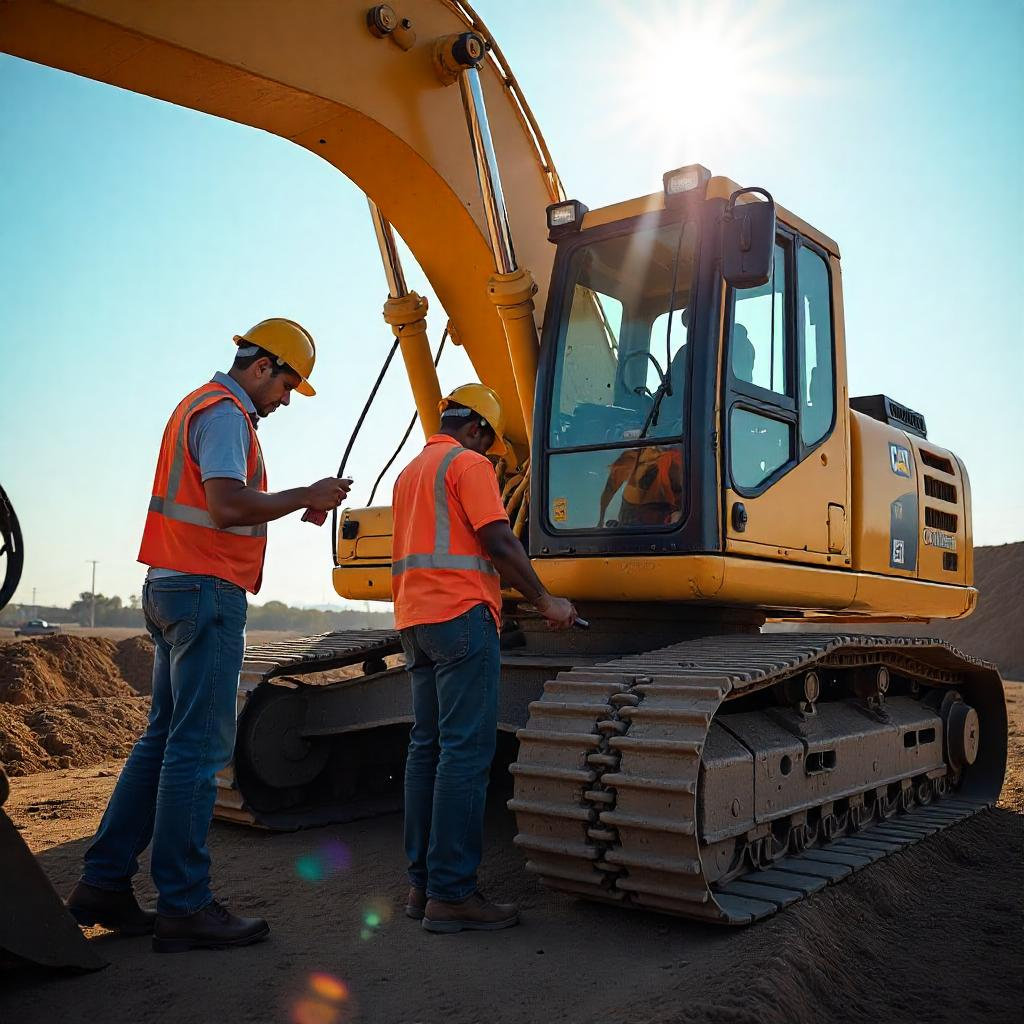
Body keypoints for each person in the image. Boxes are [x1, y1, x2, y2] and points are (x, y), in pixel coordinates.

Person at [66, 319, 351, 953]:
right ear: (263, 366)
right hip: (206, 591)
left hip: (170, 585)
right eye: (287, 385)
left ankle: (105, 883)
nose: (284, 400)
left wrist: (290, 499)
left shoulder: (196, 405)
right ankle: (185, 905)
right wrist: (304, 493)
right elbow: (226, 504)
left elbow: (220, 501)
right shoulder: (226, 415)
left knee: (163, 739)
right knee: (196, 750)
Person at [392, 383, 577, 934]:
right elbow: (499, 540)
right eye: (492, 448)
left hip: (415, 623)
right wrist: (546, 600)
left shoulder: (409, 473)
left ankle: (422, 885)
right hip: (462, 618)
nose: (493, 459)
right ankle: (452, 895)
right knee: (464, 756)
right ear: (478, 431)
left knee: (426, 750)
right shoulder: (467, 464)